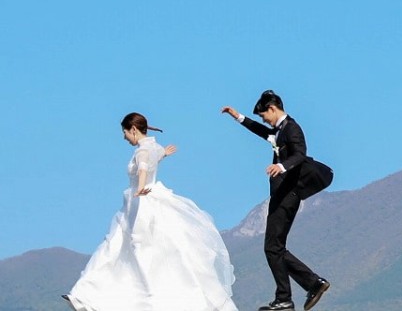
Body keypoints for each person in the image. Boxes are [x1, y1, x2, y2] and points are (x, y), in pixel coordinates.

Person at [63, 113, 238, 311]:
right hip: (151, 198)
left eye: (125, 133)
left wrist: (140, 185)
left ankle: (87, 295)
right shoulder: (154, 146)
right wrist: (165, 154)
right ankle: (87, 294)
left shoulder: (142, 151)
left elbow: (144, 166)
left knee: (119, 248)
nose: (124, 138)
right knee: (146, 251)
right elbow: (156, 156)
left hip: (140, 203)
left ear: (134, 130)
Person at [221, 91, 331, 311]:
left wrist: (281, 166)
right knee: (274, 247)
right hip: (282, 194)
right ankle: (308, 285)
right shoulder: (279, 131)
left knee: (273, 247)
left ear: (272, 108)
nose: (264, 119)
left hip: (288, 194)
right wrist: (238, 117)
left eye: (264, 115)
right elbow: (263, 132)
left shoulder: (292, 128)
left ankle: (287, 297)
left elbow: (300, 154)